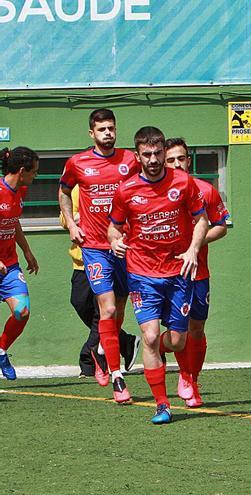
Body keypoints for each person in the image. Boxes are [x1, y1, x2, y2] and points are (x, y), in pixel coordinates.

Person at [108, 126, 208, 424]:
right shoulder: (126, 190)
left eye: (157, 153)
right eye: (146, 154)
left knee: (177, 341)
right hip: (142, 273)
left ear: (165, 153)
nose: (153, 159)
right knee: (150, 336)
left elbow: (201, 219)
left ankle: (159, 355)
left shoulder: (183, 183)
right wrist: (114, 240)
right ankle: (162, 404)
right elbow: (113, 225)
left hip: (178, 272)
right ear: (138, 156)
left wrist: (193, 249)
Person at [59, 108, 140, 403]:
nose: (108, 133)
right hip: (94, 247)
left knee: (118, 311)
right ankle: (117, 377)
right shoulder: (78, 163)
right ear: (91, 133)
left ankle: (103, 348)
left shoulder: (130, 160)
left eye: (111, 128)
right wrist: (71, 222)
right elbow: (64, 191)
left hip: (125, 246)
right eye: (102, 129)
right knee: (105, 310)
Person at [164, 138, 229, 407]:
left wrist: (195, 244)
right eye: (171, 160)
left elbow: (221, 226)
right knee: (177, 330)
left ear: (189, 160)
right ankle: (184, 376)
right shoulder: (157, 193)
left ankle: (193, 378)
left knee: (197, 329)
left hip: (198, 272)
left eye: (181, 158)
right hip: (167, 273)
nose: (177, 164)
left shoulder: (205, 190)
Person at [60, 185, 139, 379]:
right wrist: (87, 216)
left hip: (116, 256)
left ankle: (92, 359)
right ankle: (124, 342)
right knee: (80, 303)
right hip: (84, 258)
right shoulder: (80, 188)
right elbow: (65, 219)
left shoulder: (122, 186)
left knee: (105, 310)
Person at [0, 147, 40, 380]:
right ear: (22, 171)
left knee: (21, 312)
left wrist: (27, 251)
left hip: (10, 265)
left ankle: (2, 350)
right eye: (34, 172)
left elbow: (13, 222)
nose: (36, 176)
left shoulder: (21, 191)